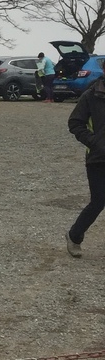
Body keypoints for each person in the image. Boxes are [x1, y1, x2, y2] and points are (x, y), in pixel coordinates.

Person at [66, 73, 105, 257]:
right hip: (98, 158)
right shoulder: (91, 95)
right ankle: (74, 236)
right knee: (98, 202)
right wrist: (94, 142)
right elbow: (75, 123)